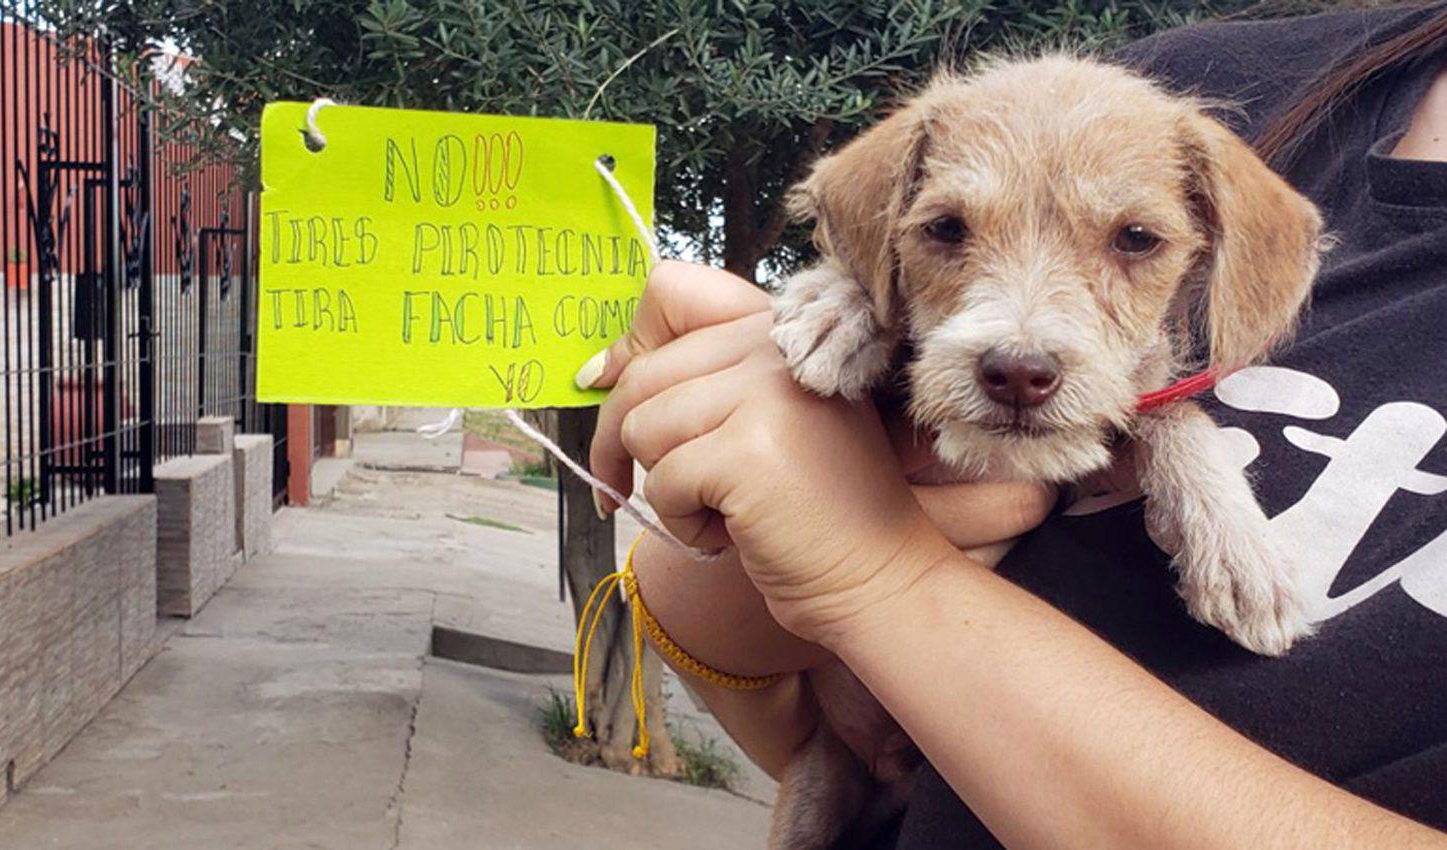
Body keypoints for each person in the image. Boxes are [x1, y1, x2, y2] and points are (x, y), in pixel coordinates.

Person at [578, 3, 1447, 848]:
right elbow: (707, 604)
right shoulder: (1241, 73)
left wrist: (882, 580)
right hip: (851, 756)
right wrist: (838, 314)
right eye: (951, 230)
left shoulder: (1211, 168)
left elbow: (1153, 399)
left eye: (1134, 241)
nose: (1023, 346)